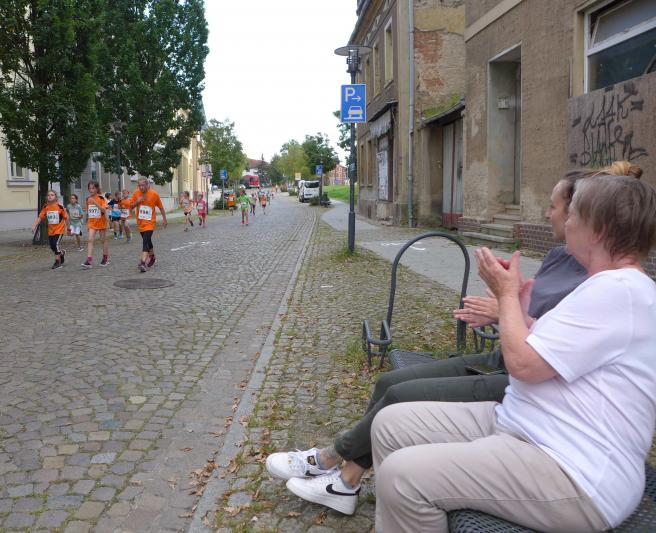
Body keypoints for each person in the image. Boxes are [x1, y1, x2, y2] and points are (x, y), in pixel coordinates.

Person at [265, 162, 642, 516]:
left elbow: (533, 360)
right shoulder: (567, 260)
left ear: (591, 224)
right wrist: (512, 303)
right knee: (388, 384)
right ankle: (345, 479)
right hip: (516, 383)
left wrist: (507, 303)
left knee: (399, 419)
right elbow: (545, 331)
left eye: (559, 208)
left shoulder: (610, 286)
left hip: (527, 397)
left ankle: (332, 463)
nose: (549, 214)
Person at [371, 171, 656, 533]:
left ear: (597, 230)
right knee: (389, 425)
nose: (564, 220)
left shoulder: (620, 291)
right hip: (524, 425)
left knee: (402, 478)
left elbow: (523, 364)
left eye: (572, 214)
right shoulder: (607, 286)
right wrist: (520, 311)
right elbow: (552, 349)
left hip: (574, 469)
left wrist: (505, 295)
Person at [130, 177, 167, 272]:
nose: (141, 187)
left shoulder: (154, 194)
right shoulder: (136, 193)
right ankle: (152, 257)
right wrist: (138, 201)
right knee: (148, 241)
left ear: (147, 185)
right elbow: (131, 206)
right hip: (140, 222)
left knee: (145, 241)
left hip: (150, 222)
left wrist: (164, 219)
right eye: (139, 185)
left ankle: (143, 263)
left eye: (143, 185)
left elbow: (161, 207)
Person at [31, 190, 68, 270]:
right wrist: (34, 225)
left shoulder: (60, 207)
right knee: (52, 246)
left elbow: (66, 218)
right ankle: (61, 253)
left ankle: (57, 262)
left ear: (56, 197)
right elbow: (40, 217)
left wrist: (68, 227)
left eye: (52, 195)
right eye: (48, 195)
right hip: (51, 230)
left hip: (60, 229)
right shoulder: (46, 207)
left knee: (55, 244)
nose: (50, 196)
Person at [81, 181, 110, 269]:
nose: (91, 190)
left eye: (93, 188)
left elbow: (104, 210)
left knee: (103, 240)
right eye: (89, 188)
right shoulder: (88, 199)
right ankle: (89, 260)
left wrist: (95, 203)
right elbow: (88, 211)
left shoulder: (101, 198)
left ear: (97, 189)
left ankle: (105, 258)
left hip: (101, 222)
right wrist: (87, 222)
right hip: (92, 223)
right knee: (90, 240)